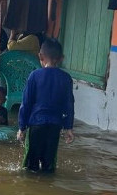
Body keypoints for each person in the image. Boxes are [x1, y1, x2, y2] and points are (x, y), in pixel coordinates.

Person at [17, 39, 75, 173]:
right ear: (61, 59)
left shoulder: (34, 76)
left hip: (36, 125)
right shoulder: (66, 78)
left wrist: (22, 127)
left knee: (30, 165)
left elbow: (26, 103)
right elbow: (69, 105)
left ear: (40, 56)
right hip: (55, 126)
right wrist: (68, 127)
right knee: (49, 165)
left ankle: (31, 189)